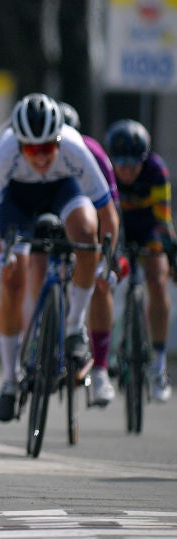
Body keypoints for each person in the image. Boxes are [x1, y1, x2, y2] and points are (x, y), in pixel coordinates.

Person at [0, 94, 119, 422]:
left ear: (59, 139)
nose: (41, 157)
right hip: (18, 201)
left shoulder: (74, 148)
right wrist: (0, 256)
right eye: (32, 150)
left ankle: (74, 325)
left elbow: (107, 214)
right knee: (13, 280)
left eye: (47, 148)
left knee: (86, 234)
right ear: (19, 144)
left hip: (64, 190)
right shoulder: (5, 152)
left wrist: (105, 259)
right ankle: (9, 379)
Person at [105, 119, 174, 402]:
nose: (127, 169)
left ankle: (158, 365)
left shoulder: (156, 171)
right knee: (105, 281)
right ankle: (106, 352)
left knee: (157, 281)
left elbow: (163, 219)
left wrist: (170, 253)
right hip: (116, 228)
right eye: (121, 162)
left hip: (148, 229)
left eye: (134, 163)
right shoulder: (105, 171)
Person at [57, 102, 121, 406]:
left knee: (100, 282)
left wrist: (107, 258)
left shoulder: (91, 152)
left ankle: (101, 369)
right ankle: (39, 346)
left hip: (89, 215)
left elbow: (111, 208)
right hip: (54, 214)